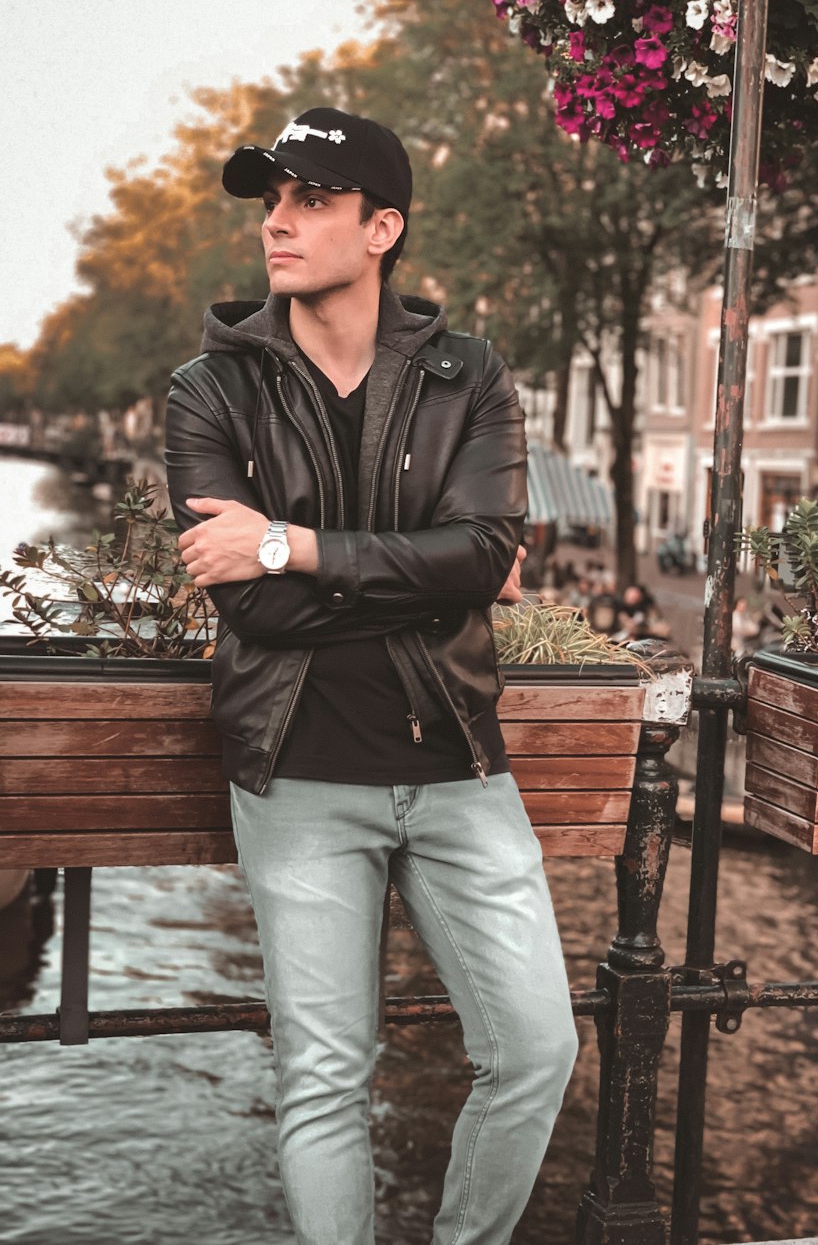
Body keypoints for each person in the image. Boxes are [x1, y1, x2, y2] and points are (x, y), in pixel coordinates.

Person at [164, 106, 577, 1245]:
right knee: (326, 1078)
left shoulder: (470, 378)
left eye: (310, 200)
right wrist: (413, 570)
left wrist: (292, 541)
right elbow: (245, 598)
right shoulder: (209, 390)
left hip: (457, 766)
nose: (278, 224)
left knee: (539, 1047)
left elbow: (484, 556)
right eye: (270, 202)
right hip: (296, 777)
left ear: (382, 226)